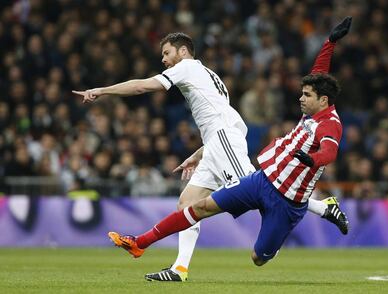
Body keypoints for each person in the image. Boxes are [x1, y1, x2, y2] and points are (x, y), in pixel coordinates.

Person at [74, 19, 351, 281]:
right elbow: (216, 115)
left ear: (183, 52)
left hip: (224, 139)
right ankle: (179, 267)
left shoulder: (187, 68)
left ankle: (320, 208)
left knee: (261, 189)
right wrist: (199, 154)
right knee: (188, 201)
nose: (163, 60)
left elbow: (141, 87)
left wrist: (102, 90)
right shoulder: (210, 76)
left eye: (167, 53)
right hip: (218, 140)